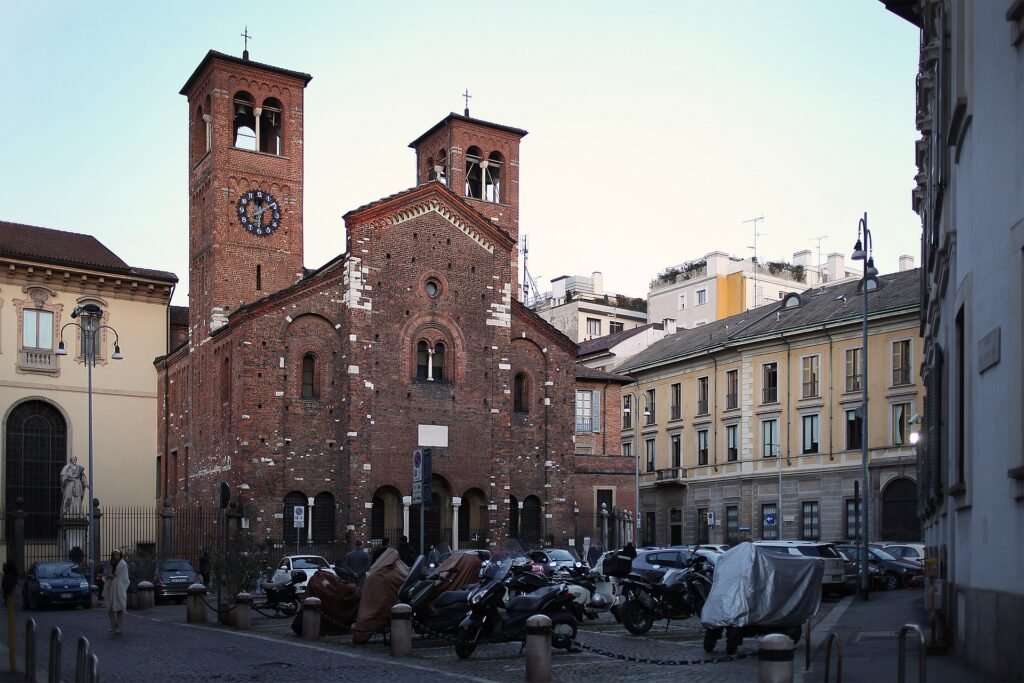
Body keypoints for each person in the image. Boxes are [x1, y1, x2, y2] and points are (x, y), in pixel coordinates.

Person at [104, 549, 130, 635]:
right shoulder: (112, 564)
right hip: (110, 587)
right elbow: (109, 574)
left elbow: (123, 577)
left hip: (119, 588)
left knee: (119, 608)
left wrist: (113, 577)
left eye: (117, 555)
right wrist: (110, 576)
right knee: (110, 608)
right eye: (114, 555)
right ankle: (113, 626)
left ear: (120, 555)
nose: (115, 556)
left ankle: (119, 627)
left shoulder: (123, 564)